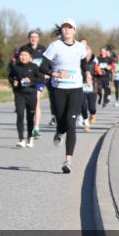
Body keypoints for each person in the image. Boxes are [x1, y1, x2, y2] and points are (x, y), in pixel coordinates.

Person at [42, 20, 87, 174]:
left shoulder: (80, 47)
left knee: (71, 123)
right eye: (64, 27)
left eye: (70, 28)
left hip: (76, 88)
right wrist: (54, 73)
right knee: (61, 120)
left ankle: (68, 160)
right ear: (61, 30)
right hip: (59, 88)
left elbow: (84, 64)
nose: (66, 30)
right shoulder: (55, 46)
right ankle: (59, 131)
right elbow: (42, 66)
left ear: (74, 30)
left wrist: (87, 74)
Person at [8, 48, 48, 147]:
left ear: (30, 57)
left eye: (25, 55)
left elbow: (41, 78)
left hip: (31, 94)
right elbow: (10, 76)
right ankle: (21, 139)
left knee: (30, 117)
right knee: (20, 115)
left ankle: (30, 137)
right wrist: (14, 82)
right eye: (21, 55)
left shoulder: (34, 67)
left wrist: (30, 80)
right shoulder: (15, 66)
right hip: (19, 94)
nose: (23, 57)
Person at [18, 29, 48, 138]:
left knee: (37, 101)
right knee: (28, 104)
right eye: (32, 37)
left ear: (38, 38)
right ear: (29, 38)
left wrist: (47, 72)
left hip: (38, 79)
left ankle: (36, 128)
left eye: (35, 37)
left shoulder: (43, 49)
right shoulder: (23, 49)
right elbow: (18, 64)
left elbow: (47, 62)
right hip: (26, 79)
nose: (33, 39)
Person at [79, 42, 98, 132]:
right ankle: (86, 124)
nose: (87, 55)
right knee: (83, 106)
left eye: (89, 54)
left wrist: (100, 73)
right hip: (81, 86)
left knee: (92, 107)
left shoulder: (94, 63)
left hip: (92, 86)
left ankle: (93, 114)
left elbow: (99, 73)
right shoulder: (79, 63)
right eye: (86, 54)